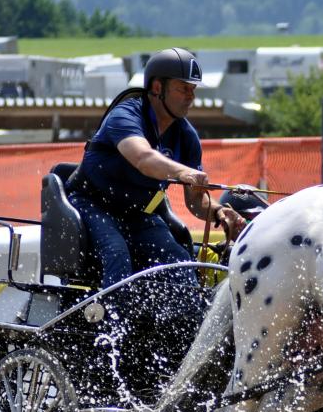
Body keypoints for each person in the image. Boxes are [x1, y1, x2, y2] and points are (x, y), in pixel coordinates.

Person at [66, 47, 246, 289]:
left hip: (138, 213)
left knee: (177, 259)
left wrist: (219, 212)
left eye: (193, 89)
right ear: (158, 87)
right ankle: (112, 314)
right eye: (183, 88)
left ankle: (187, 312)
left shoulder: (186, 136)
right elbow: (143, 158)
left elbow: (196, 201)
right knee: (116, 252)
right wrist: (183, 172)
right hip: (92, 204)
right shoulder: (125, 115)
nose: (191, 96)